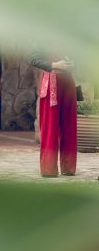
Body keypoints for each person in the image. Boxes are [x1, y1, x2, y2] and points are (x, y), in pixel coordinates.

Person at [31, 48, 78, 177]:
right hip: (52, 81)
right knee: (50, 127)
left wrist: (74, 63)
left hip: (68, 81)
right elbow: (34, 60)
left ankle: (69, 167)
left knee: (69, 126)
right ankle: (48, 169)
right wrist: (54, 65)